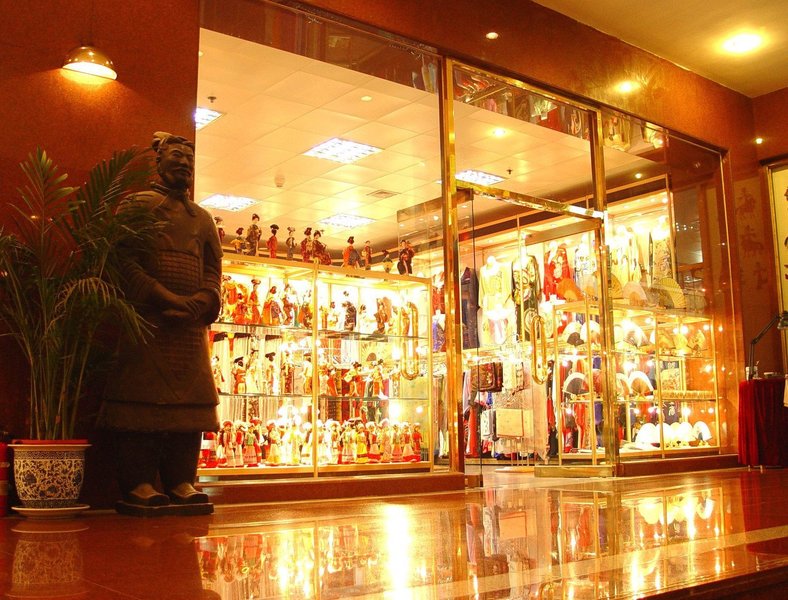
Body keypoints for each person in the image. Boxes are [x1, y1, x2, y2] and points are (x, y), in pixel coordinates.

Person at [99, 132, 222, 510]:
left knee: (189, 411)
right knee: (142, 404)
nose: (184, 163)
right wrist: (163, 297)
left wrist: (201, 301)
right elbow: (123, 261)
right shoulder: (137, 205)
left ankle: (181, 480)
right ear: (158, 160)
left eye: (189, 158)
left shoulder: (202, 218)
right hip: (147, 324)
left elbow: (213, 271)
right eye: (176, 156)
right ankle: (138, 483)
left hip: (188, 330)